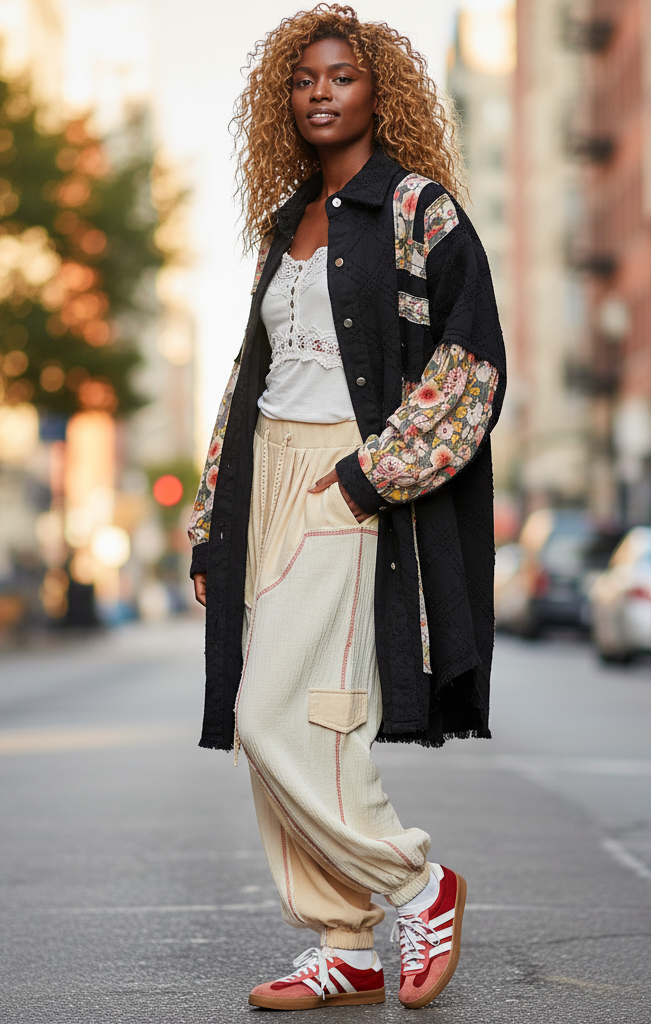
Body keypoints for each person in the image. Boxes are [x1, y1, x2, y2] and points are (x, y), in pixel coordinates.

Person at [187, 4, 505, 1010]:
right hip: (265, 475)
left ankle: (415, 880)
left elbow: (471, 364)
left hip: (346, 473)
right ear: (283, 99)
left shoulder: (419, 209)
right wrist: (211, 524)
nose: (319, 92)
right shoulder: (285, 223)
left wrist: (375, 474)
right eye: (302, 79)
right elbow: (249, 378)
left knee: (274, 707)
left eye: (340, 76)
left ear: (378, 92)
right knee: (301, 714)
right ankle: (345, 942)